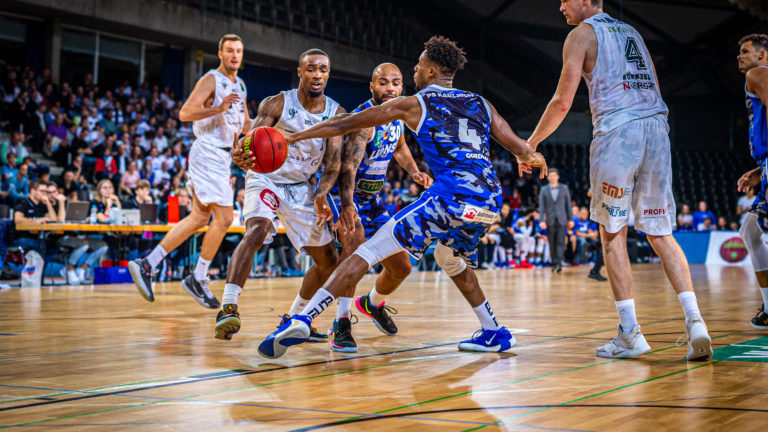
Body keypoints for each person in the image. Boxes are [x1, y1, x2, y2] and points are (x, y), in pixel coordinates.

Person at [250, 36, 546, 358]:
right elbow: (522, 148)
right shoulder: (480, 103)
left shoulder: (415, 103)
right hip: (489, 200)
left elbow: (344, 123)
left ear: (431, 71)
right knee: (450, 257)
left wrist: (295, 136)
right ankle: (493, 331)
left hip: (452, 196)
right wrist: (533, 158)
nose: (415, 71)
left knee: (369, 250)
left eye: (418, 66)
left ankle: (304, 319)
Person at [522, 0, 711, 360]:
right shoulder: (634, 33)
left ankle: (630, 334)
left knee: (613, 235)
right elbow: (654, 88)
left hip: (617, 132)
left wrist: (530, 143)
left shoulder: (582, 34)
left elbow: (562, 101)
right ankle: (696, 321)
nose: (560, 4)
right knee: (660, 233)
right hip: (656, 129)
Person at [213, 48, 345, 343]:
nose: (317, 75)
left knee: (328, 261)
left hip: (302, 186)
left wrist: (323, 193)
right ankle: (228, 307)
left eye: (323, 69)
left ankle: (297, 318)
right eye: (311, 68)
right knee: (257, 230)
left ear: (329, 74)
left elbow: (334, 161)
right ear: (300, 72)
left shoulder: (335, 112)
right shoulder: (277, 103)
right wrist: (241, 156)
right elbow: (249, 143)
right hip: (267, 178)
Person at [128, 34, 249, 309]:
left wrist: (272, 128)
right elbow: (185, 112)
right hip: (207, 151)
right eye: (229, 51)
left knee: (198, 217)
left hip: (221, 157)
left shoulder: (240, 85)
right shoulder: (211, 80)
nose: (234, 55)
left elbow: (244, 124)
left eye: (238, 51)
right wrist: (217, 108)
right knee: (225, 217)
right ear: (220, 54)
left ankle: (148, 263)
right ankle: (198, 276)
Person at [319, 63, 432, 352]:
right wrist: (346, 207)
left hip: (372, 199)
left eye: (395, 83)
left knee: (401, 267)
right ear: (372, 87)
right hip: (345, 195)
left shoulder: (396, 116)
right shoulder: (364, 121)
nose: (390, 89)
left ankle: (372, 303)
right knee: (354, 251)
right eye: (383, 83)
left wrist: (414, 171)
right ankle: (341, 322)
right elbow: (347, 169)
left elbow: (400, 146)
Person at [736, 33, 768, 330]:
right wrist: (760, 171)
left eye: (746, 51)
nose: (740, 56)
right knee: (750, 229)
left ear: (763, 56)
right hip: (766, 164)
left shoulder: (758, 74)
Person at [538, 169, 572, 272]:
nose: (552, 177)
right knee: (552, 242)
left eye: (554, 175)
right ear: (548, 178)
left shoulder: (564, 188)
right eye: (550, 176)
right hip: (550, 219)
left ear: (558, 177)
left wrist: (570, 219)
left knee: (561, 242)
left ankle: (558, 263)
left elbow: (568, 205)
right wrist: (541, 220)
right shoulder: (544, 189)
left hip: (562, 219)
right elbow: (542, 207)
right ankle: (554, 262)